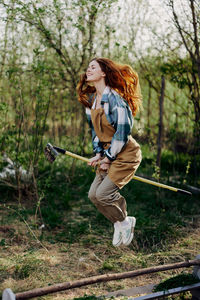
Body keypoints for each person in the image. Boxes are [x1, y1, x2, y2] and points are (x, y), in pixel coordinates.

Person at [77, 57, 142, 247]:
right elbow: (97, 132)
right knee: (93, 195)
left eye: (93, 67)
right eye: (88, 67)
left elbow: (122, 133)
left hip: (126, 154)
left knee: (104, 194)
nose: (88, 70)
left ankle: (125, 221)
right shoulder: (93, 102)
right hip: (108, 153)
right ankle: (119, 223)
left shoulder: (115, 99)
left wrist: (108, 158)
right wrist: (98, 154)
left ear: (103, 73)